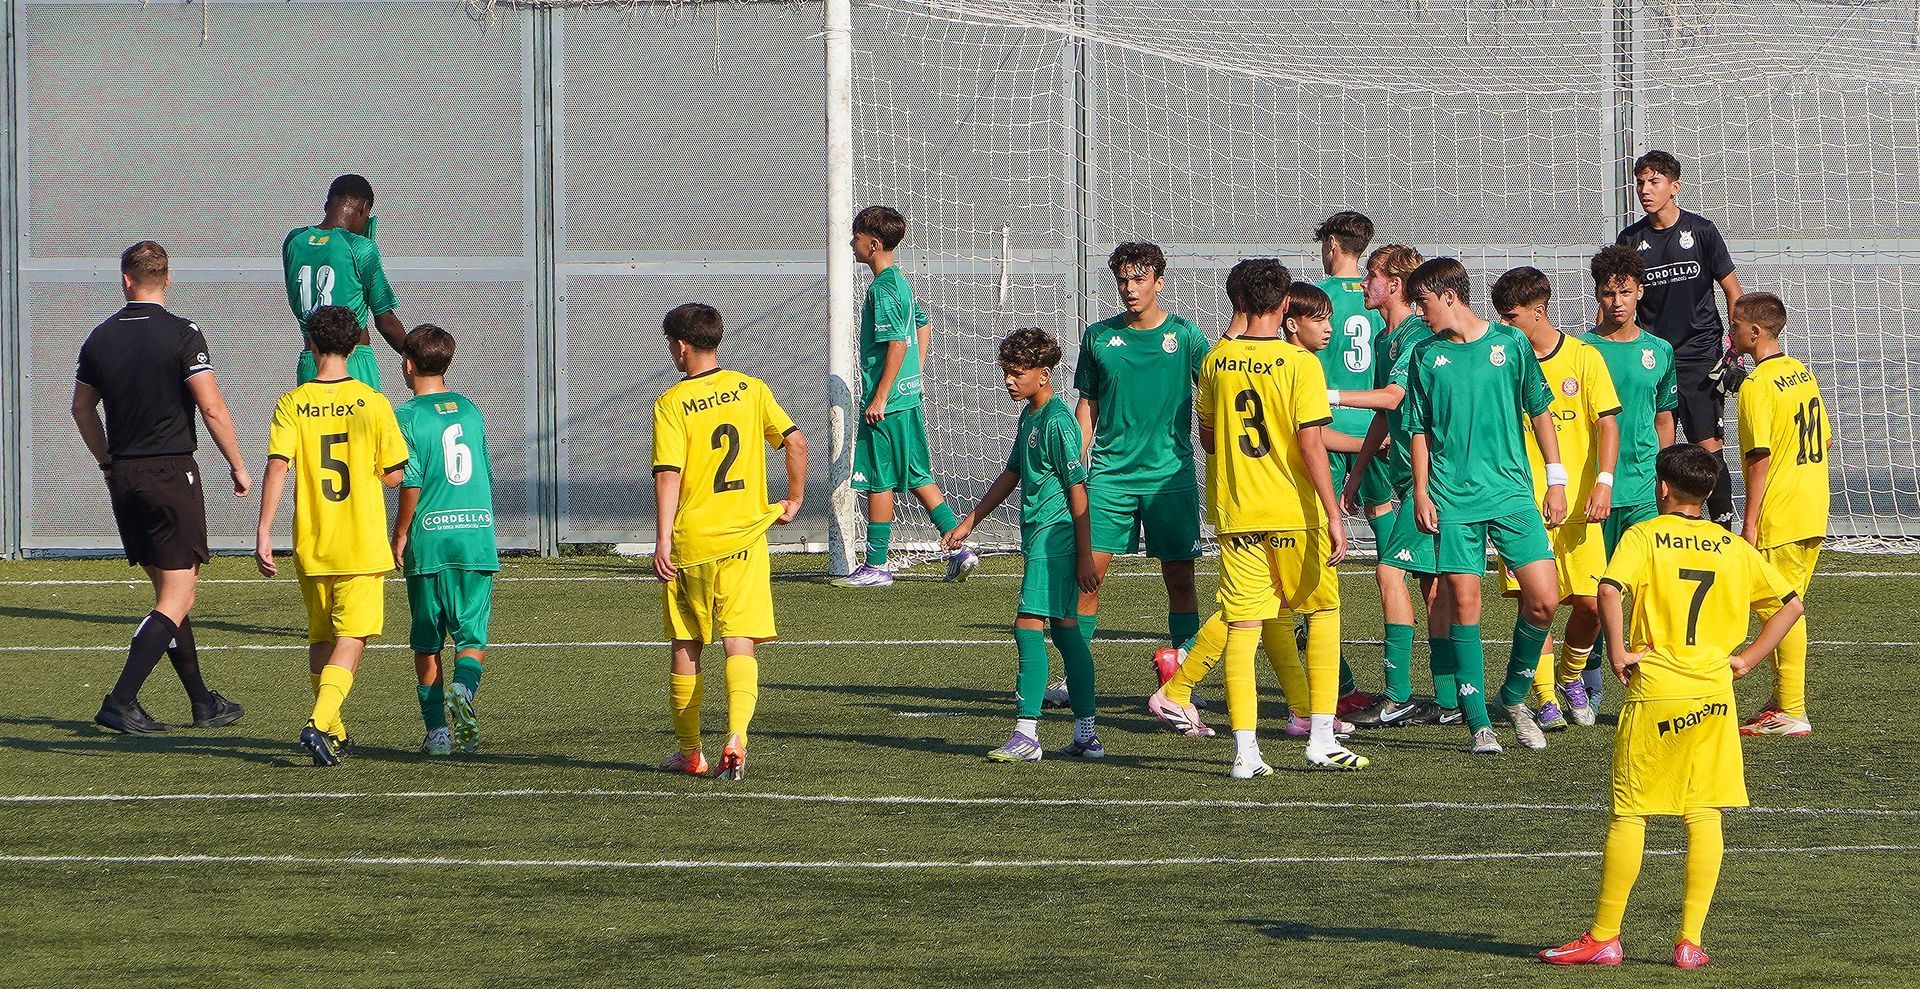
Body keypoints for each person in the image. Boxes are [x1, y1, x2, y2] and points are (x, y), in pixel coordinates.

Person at [1541, 444, 1803, 970]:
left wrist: (1618, 651)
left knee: (1631, 812)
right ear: (1707, 494)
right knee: (1703, 812)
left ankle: (1605, 937)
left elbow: (1609, 590)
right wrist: (1748, 659)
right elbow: (1791, 606)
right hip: (1713, 695)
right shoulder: (1732, 547)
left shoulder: (1644, 536)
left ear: (1662, 487)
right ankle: (1689, 942)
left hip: (1657, 689)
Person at [1156, 261, 1359, 775]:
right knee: (1322, 614)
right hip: (1294, 513)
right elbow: (1311, 444)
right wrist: (1333, 512)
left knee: (1244, 629)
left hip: (1237, 514)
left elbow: (1207, 438)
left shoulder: (1216, 360)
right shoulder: (1300, 363)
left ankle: (1246, 753)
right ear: (1286, 304)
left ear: (1239, 301)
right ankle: (1320, 737)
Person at [73, 241, 251, 733]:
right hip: (171, 475)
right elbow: (211, 407)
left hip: (125, 477)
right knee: (178, 595)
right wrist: (237, 464)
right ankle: (120, 700)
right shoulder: (182, 333)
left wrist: (107, 461)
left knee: (171, 594)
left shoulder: (99, 337)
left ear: (125, 280)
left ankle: (202, 701)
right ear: (167, 279)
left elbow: (81, 409)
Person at [1403, 258, 1566, 754]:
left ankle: (1512, 697)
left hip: (1512, 493)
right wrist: (1422, 491)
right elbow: (1418, 429)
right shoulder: (1425, 355)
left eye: (1423, 302)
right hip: (1453, 497)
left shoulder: (1511, 344)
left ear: (1449, 295)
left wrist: (1556, 480)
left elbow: (1539, 411)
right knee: (1464, 603)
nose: (1420, 313)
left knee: (1545, 599)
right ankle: (1479, 724)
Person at [652, 303, 807, 780]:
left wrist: (662, 539)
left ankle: (691, 752)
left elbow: (669, 473)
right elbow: (796, 442)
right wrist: (793, 499)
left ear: (681, 347)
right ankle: (737, 735)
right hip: (746, 538)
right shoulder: (751, 388)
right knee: (739, 641)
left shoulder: (672, 402)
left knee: (687, 643)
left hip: (694, 542)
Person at [255, 305, 411, 766]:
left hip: (313, 540)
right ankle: (319, 724)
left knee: (321, 637)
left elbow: (278, 466)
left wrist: (264, 530)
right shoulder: (373, 402)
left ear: (312, 344)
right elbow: (394, 475)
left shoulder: (292, 402)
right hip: (360, 542)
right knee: (353, 637)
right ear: (355, 346)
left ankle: (336, 730)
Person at [942, 328, 1101, 761]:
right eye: (1006, 372)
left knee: (1026, 625)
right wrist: (969, 521)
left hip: (1055, 538)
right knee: (1066, 633)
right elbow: (1012, 473)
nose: (1009, 381)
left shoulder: (1058, 421)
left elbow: (1078, 489)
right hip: (1041, 536)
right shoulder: (1030, 416)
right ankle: (1087, 735)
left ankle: (1026, 733)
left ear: (1044, 374)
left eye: (1017, 373)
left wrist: (1085, 554)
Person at [1490, 267, 1621, 733]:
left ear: (1539, 311)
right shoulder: (1502, 360)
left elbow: (1607, 424)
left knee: (1592, 603)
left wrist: (1604, 482)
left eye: (1511, 317)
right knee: (1536, 604)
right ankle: (1545, 696)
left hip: (1580, 505)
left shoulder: (1583, 357)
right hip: (1521, 503)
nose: (1503, 325)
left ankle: (1569, 676)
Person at [1074, 242, 1211, 684]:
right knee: (1088, 577)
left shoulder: (1186, 336)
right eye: (1123, 280)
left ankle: (1183, 680)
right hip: (1110, 477)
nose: (1130, 289)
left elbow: (1214, 390)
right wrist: (1076, 462)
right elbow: (1088, 403)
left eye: (1139, 279)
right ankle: (1075, 676)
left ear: (1159, 282)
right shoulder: (1098, 337)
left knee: (1181, 580)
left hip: (1170, 477)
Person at [1337, 244, 1455, 728]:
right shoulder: (1387, 338)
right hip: (1409, 479)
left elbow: (1391, 397)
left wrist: (1325, 393)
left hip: (1434, 480)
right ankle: (1450, 700)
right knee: (1432, 586)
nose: (1364, 284)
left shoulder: (1414, 337)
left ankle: (1398, 695)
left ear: (1395, 285)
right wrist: (1359, 471)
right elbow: (1386, 417)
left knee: (1389, 573)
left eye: (1371, 276)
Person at [837, 205, 977, 587]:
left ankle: (876, 566)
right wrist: (914, 375)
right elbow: (922, 325)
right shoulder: (900, 281)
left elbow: (898, 342)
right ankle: (959, 547)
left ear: (873, 244)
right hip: (908, 396)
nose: (851, 243)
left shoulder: (882, 288)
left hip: (889, 403)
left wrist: (880, 396)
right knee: (917, 474)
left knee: (878, 479)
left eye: (856, 237)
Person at [1616, 150, 1742, 527]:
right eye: (1640, 182)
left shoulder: (1701, 231)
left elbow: (1733, 291)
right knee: (1660, 450)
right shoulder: (1630, 239)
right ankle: (1663, 528)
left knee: (1708, 448)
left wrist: (1734, 352)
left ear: (1675, 187)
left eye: (1654, 182)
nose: (1645, 190)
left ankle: (1722, 526)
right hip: (1653, 360)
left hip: (1700, 356)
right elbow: (1616, 298)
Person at [391, 324, 500, 756]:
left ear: (408, 364)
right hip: (475, 537)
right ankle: (464, 690)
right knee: (471, 638)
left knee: (427, 641)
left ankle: (437, 733)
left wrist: (400, 532)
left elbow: (410, 481)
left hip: (431, 539)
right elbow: (484, 472)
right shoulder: (470, 411)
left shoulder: (405, 416)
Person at [1582, 245, 1679, 712]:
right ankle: (1587, 675)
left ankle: (1647, 679)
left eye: (1624, 292)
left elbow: (1664, 418)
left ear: (1639, 292)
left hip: (1642, 488)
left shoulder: (1658, 351)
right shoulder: (1582, 350)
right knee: (1594, 592)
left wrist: (1667, 479)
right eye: (1608, 293)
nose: (1616, 302)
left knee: (1643, 589)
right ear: (1597, 295)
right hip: (1594, 490)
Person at [1730, 292, 1831, 737]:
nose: (1730, 332)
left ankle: (1792, 709)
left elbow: (1759, 457)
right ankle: (1781, 701)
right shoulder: (1801, 372)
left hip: (1781, 512)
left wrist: (1750, 520)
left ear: (1755, 332)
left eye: (1735, 325)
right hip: (1812, 505)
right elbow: (1825, 439)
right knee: (1785, 605)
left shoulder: (1757, 384)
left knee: (1780, 608)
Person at [283, 173, 406, 388]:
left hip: (312, 363)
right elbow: (385, 321)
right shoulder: (361, 247)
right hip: (353, 362)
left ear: (327, 206)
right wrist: (416, 357)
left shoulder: (294, 240)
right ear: (364, 208)